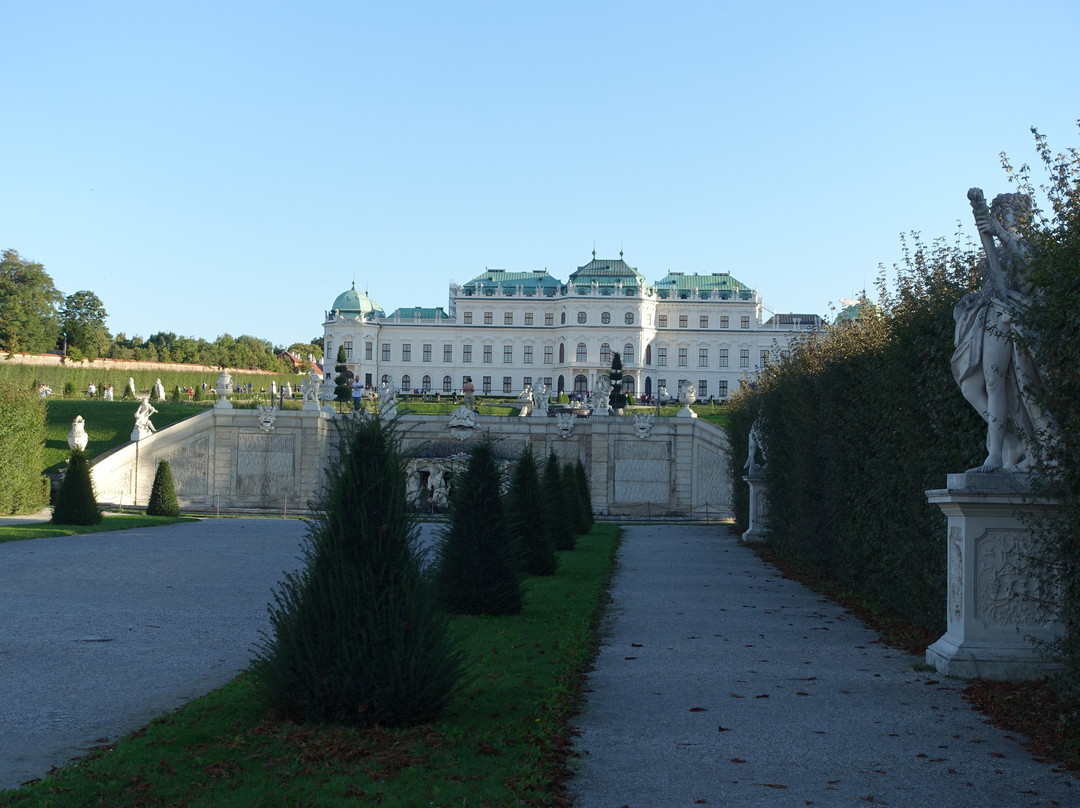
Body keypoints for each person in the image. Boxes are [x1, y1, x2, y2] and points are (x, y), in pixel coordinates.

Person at [952, 189, 1052, 472]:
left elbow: (1034, 270)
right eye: (997, 214)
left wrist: (1000, 232)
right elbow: (990, 283)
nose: (1000, 218)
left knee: (994, 382)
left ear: (1020, 216)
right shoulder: (996, 250)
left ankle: (996, 453)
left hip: (1007, 315)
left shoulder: (1029, 245)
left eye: (1004, 213)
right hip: (985, 313)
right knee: (970, 387)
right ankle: (1012, 441)